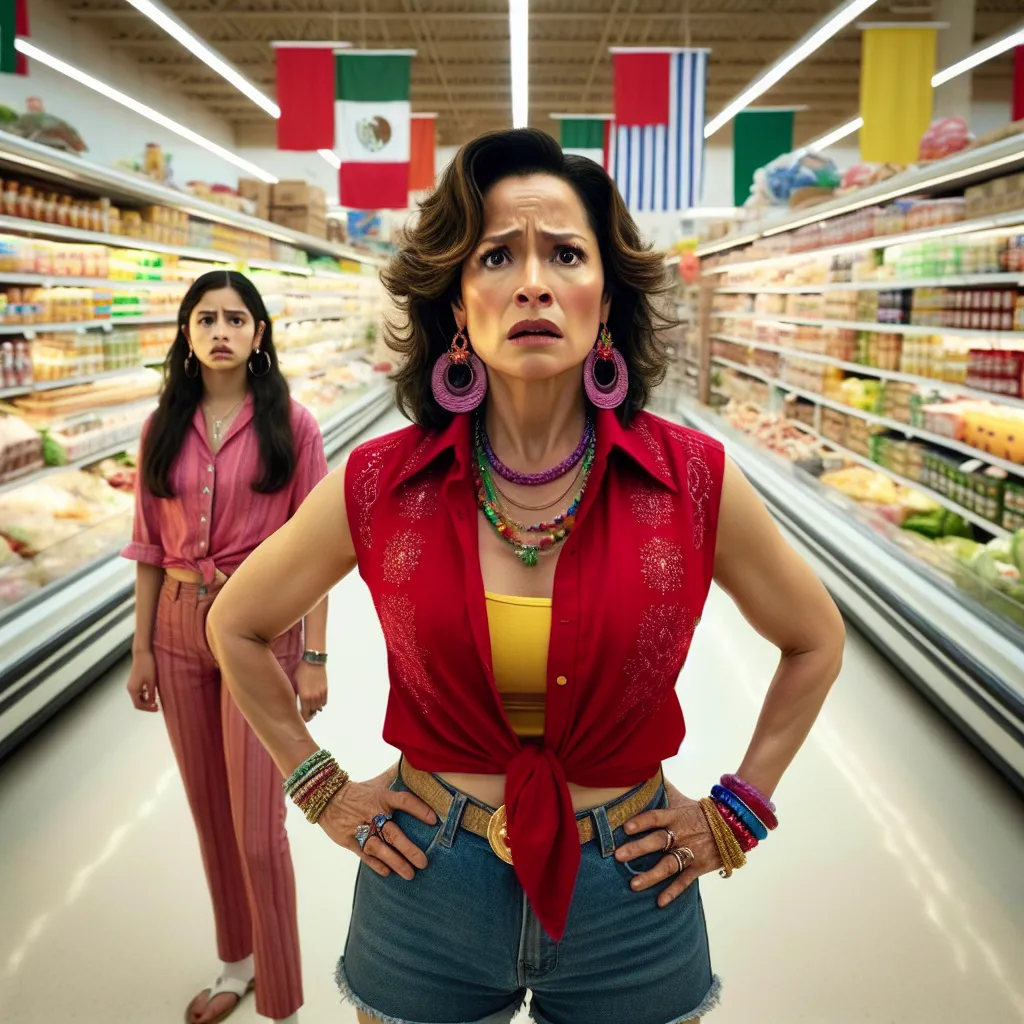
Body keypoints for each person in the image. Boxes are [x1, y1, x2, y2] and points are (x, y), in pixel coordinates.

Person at [206, 129, 846, 1024]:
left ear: (607, 300)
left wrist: (738, 810)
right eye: (498, 254)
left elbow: (815, 640)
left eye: (567, 254)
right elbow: (235, 623)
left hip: (634, 884)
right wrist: (317, 786)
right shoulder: (380, 481)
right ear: (458, 306)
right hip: (423, 875)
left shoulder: (693, 479)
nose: (534, 280)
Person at [123, 270, 329, 1024]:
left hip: (258, 631)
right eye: (205, 318)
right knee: (211, 815)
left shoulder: (294, 426)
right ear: (186, 334)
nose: (220, 331)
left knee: (258, 830)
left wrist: (315, 654)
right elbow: (148, 547)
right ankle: (234, 962)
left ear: (259, 334)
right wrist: (140, 647)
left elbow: (317, 549)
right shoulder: (159, 429)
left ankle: (279, 994)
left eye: (235, 319)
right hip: (176, 627)